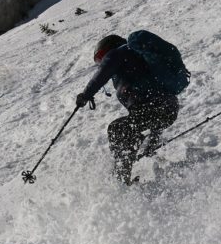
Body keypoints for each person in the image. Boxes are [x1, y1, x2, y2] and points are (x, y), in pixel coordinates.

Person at [76, 34, 180, 185]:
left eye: (100, 57)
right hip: (166, 108)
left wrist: (86, 94)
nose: (101, 62)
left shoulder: (120, 52)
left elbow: (104, 71)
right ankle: (126, 170)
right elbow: (148, 112)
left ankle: (121, 181)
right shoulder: (132, 62)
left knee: (117, 128)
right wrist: (152, 141)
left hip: (159, 106)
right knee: (126, 127)